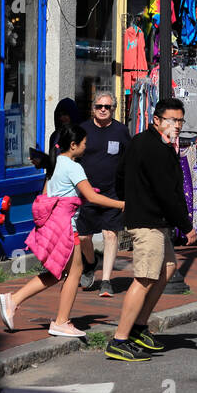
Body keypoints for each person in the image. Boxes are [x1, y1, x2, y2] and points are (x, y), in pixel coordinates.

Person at [0, 126, 126, 337]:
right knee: (74, 271)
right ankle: (60, 321)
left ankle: (14, 300)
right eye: (84, 144)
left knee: (60, 272)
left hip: (55, 223)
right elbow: (92, 198)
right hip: (67, 226)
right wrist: (121, 205)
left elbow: (52, 192)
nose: (86, 147)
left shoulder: (56, 163)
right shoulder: (74, 167)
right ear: (73, 145)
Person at [106, 98, 190, 363]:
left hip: (152, 219)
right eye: (172, 120)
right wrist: (186, 226)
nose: (177, 125)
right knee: (144, 278)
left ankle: (140, 327)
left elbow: (120, 175)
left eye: (180, 121)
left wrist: (128, 199)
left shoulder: (151, 143)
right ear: (156, 120)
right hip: (147, 221)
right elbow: (166, 192)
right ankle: (120, 339)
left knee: (167, 269)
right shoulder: (153, 147)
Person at [76, 91, 129, 296]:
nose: (103, 110)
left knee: (110, 234)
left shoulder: (121, 131)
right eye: (99, 106)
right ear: (93, 108)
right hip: (86, 192)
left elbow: (129, 160)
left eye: (107, 107)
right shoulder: (83, 129)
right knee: (83, 237)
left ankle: (106, 280)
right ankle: (90, 263)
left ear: (113, 109)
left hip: (112, 192)